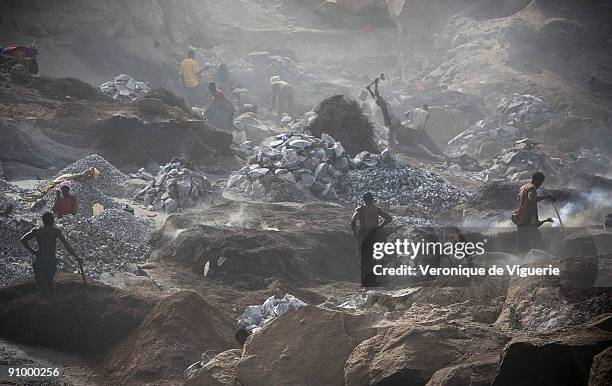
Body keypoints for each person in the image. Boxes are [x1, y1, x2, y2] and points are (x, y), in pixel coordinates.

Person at [21, 212, 82, 299]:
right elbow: (66, 245)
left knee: (41, 284)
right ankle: (52, 303)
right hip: (50, 260)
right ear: (52, 220)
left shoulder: (37, 230)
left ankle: (43, 303)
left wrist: (33, 251)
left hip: (39, 260)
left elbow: (23, 239)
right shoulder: (55, 231)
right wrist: (76, 257)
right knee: (50, 282)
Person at [351, 192, 393, 287]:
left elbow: (353, 221)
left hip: (364, 234)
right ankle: (372, 281)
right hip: (374, 234)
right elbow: (389, 218)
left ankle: (365, 282)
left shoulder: (360, 210)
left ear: (364, 200)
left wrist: (355, 233)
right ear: (372, 199)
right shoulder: (377, 210)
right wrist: (379, 226)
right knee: (373, 258)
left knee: (364, 259)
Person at [511, 172, 555, 252]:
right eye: (541, 182)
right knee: (537, 238)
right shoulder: (532, 188)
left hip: (519, 217)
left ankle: (519, 258)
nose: (540, 184)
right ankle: (535, 258)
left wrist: (545, 221)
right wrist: (547, 196)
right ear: (537, 180)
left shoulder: (523, 187)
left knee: (522, 241)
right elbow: (532, 199)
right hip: (526, 219)